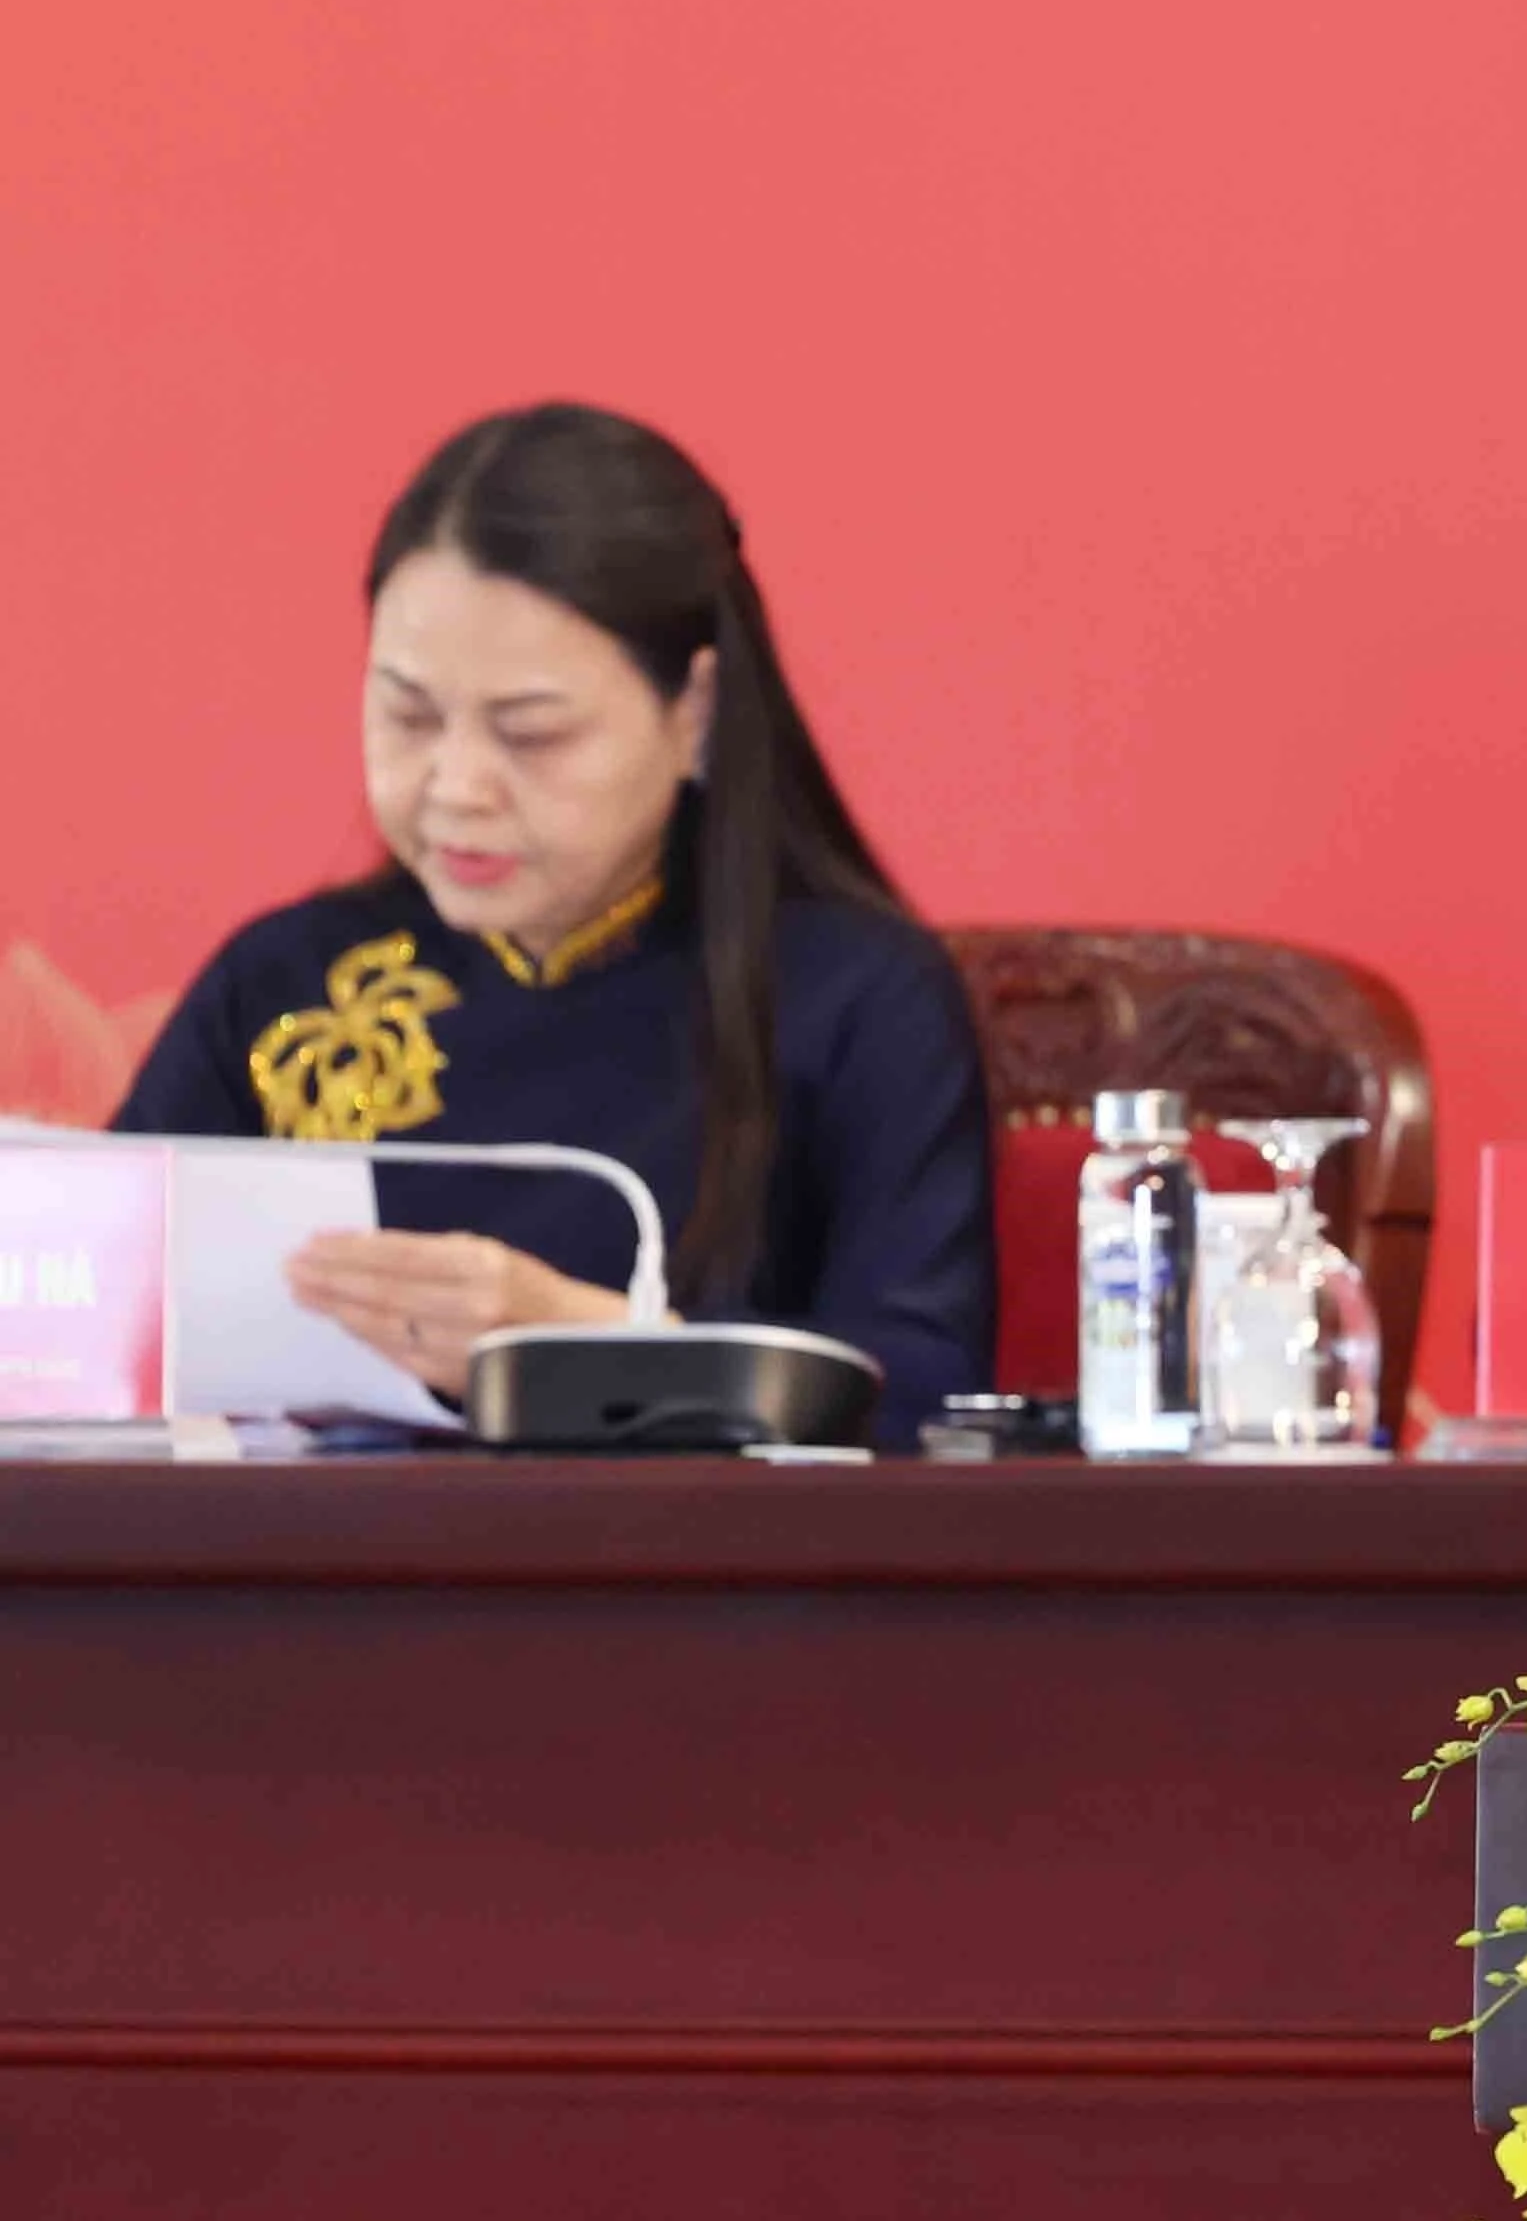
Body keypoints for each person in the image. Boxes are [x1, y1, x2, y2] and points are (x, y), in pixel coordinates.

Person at [117, 402, 996, 1443]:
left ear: (697, 714)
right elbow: (86, 1332)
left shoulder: (857, 1000)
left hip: (688, 1591)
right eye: (407, 714)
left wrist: (592, 1342)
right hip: (318, 1589)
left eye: (531, 734)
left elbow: (933, 1402)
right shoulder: (285, 984)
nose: (456, 786)